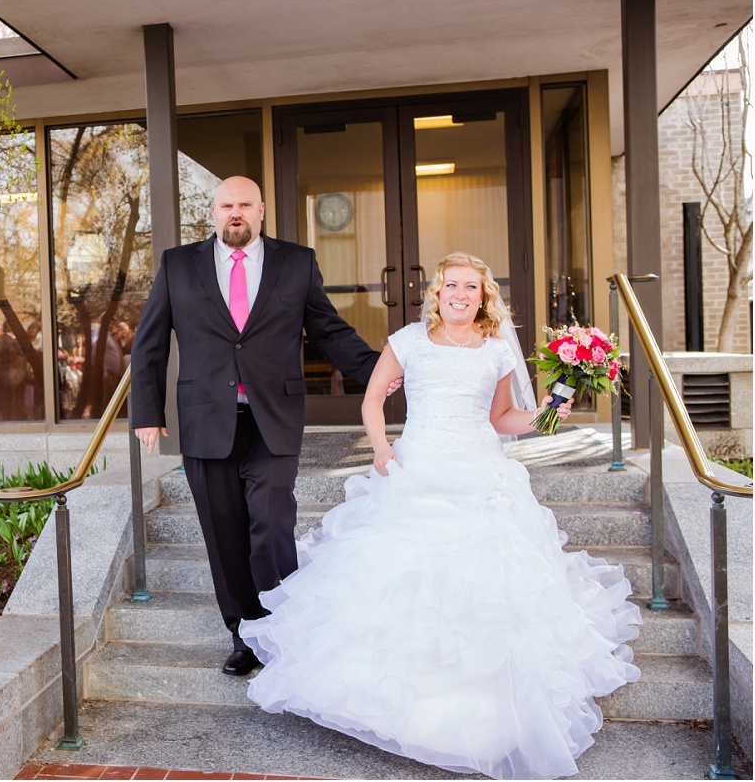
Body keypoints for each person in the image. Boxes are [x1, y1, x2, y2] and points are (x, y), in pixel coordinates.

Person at [239, 253, 641, 780]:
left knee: (483, 594)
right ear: (438, 291)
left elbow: (503, 419)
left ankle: (473, 717)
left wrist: (547, 414)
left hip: (481, 477)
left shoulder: (497, 351)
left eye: (470, 287)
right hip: (418, 469)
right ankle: (393, 705)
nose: (459, 294)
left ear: (483, 296)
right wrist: (381, 447)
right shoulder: (409, 340)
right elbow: (372, 399)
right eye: (451, 285)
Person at [129, 175, 397, 677]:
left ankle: (282, 625)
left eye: (245, 204)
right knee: (223, 532)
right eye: (227, 204)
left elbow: (328, 329)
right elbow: (148, 344)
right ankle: (244, 634)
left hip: (271, 419)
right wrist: (146, 413)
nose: (236, 212)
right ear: (213, 212)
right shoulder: (177, 265)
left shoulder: (296, 263)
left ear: (262, 210)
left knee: (271, 526)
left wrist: (381, 371)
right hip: (205, 420)